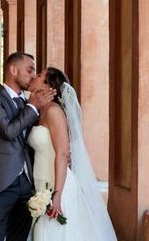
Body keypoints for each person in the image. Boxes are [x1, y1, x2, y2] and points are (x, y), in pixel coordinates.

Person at [27, 67, 117, 240]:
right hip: (42, 184)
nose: (34, 77)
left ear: (48, 86)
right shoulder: (40, 111)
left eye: (39, 76)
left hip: (57, 186)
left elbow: (62, 153)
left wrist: (57, 195)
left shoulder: (53, 112)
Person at [0, 52, 56, 241]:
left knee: (19, 238)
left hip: (29, 183)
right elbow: (8, 131)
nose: (33, 76)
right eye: (30, 70)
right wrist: (32, 108)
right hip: (1, 182)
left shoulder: (31, 102)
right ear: (13, 70)